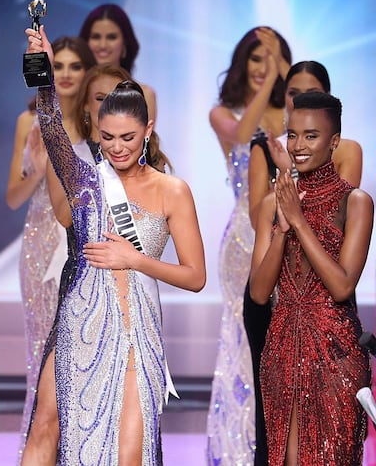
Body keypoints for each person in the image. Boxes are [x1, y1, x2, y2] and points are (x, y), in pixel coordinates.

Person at [24, 25, 206, 464]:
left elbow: (196, 277)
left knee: (131, 452)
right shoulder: (86, 181)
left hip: (136, 331)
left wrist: (135, 259)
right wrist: (43, 69)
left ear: (148, 129)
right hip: (81, 325)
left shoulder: (172, 190)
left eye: (128, 138)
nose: (117, 148)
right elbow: (50, 127)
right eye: (107, 139)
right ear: (96, 131)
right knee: (77, 447)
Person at [244, 60, 363, 465]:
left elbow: (343, 285)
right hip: (280, 348)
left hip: (335, 350)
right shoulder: (270, 206)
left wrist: (299, 221)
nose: (299, 146)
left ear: (334, 142)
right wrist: (282, 224)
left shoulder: (355, 202)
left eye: (312, 136)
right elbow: (259, 293)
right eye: (293, 134)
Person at [6, 35, 95, 459]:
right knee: (41, 355)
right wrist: (40, 169)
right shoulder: (30, 123)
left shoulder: (96, 123)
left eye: (74, 66)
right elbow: (12, 197)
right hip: (41, 244)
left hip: (86, 242)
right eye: (56, 66)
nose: (64, 74)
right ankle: (39, 444)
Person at [206, 26, 291, 465]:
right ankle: (239, 449)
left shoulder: (292, 112)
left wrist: (287, 76)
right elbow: (243, 135)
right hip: (244, 240)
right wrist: (276, 72)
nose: (263, 68)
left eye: (269, 58)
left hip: (292, 235)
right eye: (256, 59)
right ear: (243, 64)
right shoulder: (223, 114)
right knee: (243, 340)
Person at [78, 3, 158, 122]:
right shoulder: (75, 92)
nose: (103, 45)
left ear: (125, 44)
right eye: (96, 37)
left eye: (111, 37)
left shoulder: (144, 95)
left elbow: (146, 140)